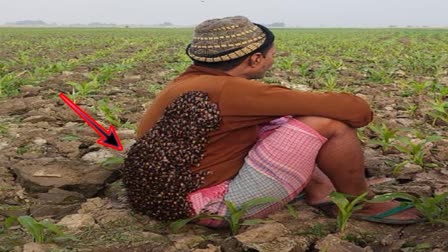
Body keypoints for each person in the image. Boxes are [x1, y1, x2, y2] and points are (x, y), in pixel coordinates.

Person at [130, 16, 422, 226]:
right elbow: (356, 111)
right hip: (209, 207)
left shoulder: (182, 84)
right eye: (271, 55)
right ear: (255, 60)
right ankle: (362, 203)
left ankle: (321, 193)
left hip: (158, 200)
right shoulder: (233, 90)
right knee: (326, 124)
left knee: (277, 121)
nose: (272, 60)